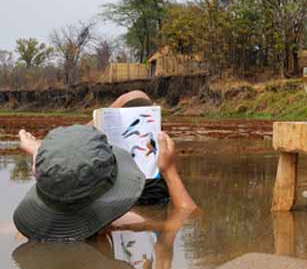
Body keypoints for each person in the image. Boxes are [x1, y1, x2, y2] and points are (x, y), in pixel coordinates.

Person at [13, 92, 197, 242]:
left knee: (132, 97)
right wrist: (169, 171)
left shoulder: (26, 231)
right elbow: (188, 216)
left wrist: (42, 154)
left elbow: (56, 184)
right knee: (135, 96)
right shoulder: (122, 223)